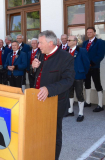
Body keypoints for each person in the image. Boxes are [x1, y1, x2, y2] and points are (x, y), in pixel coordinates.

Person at [32, 30, 75, 160]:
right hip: (38, 101)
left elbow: (68, 81)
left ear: (50, 43)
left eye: (40, 43)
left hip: (55, 103)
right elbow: (38, 77)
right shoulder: (40, 54)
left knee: (54, 135)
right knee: (40, 132)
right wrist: (33, 67)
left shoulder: (65, 57)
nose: (38, 46)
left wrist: (49, 89)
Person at [65, 35, 90, 122]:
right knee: (69, 93)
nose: (67, 41)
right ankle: (70, 110)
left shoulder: (81, 50)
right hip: (68, 76)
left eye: (69, 40)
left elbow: (87, 64)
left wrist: (82, 72)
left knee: (79, 94)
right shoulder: (66, 51)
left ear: (75, 41)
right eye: (67, 40)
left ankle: (81, 113)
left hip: (78, 76)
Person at [82, 27, 105, 112]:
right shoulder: (85, 43)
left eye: (90, 32)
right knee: (87, 84)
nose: (89, 33)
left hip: (94, 67)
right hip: (86, 68)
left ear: (94, 33)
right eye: (87, 32)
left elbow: (100, 55)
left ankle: (100, 105)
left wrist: (91, 63)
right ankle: (88, 102)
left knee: (97, 85)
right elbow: (83, 54)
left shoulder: (100, 42)